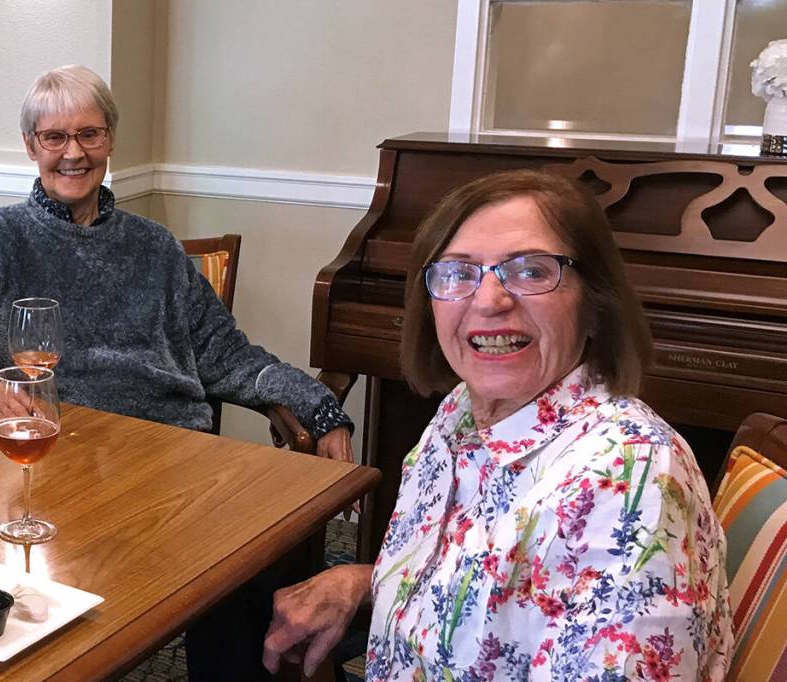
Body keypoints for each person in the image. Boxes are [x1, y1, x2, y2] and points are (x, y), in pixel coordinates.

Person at [0, 64, 353, 679]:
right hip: (64, 462)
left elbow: (226, 354)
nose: (73, 153)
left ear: (111, 140)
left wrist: (317, 404)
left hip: (173, 464)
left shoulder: (155, 247)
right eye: (54, 137)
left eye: (89, 134)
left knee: (251, 569)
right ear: (31, 145)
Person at [263, 170, 733, 680]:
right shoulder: (461, 410)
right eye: (458, 273)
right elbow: (492, 580)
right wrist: (365, 580)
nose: (488, 301)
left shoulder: (628, 477)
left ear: (595, 304)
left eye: (531, 271)